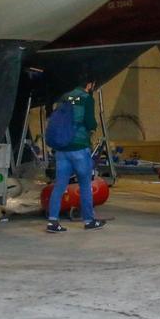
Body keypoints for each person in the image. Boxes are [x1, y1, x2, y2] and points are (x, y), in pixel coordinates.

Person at [46, 74, 105, 233]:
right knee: (85, 185)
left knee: (59, 185)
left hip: (62, 148)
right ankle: (89, 221)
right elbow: (89, 121)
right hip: (78, 147)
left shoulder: (66, 97)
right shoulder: (86, 98)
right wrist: (92, 128)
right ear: (89, 84)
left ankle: (52, 222)